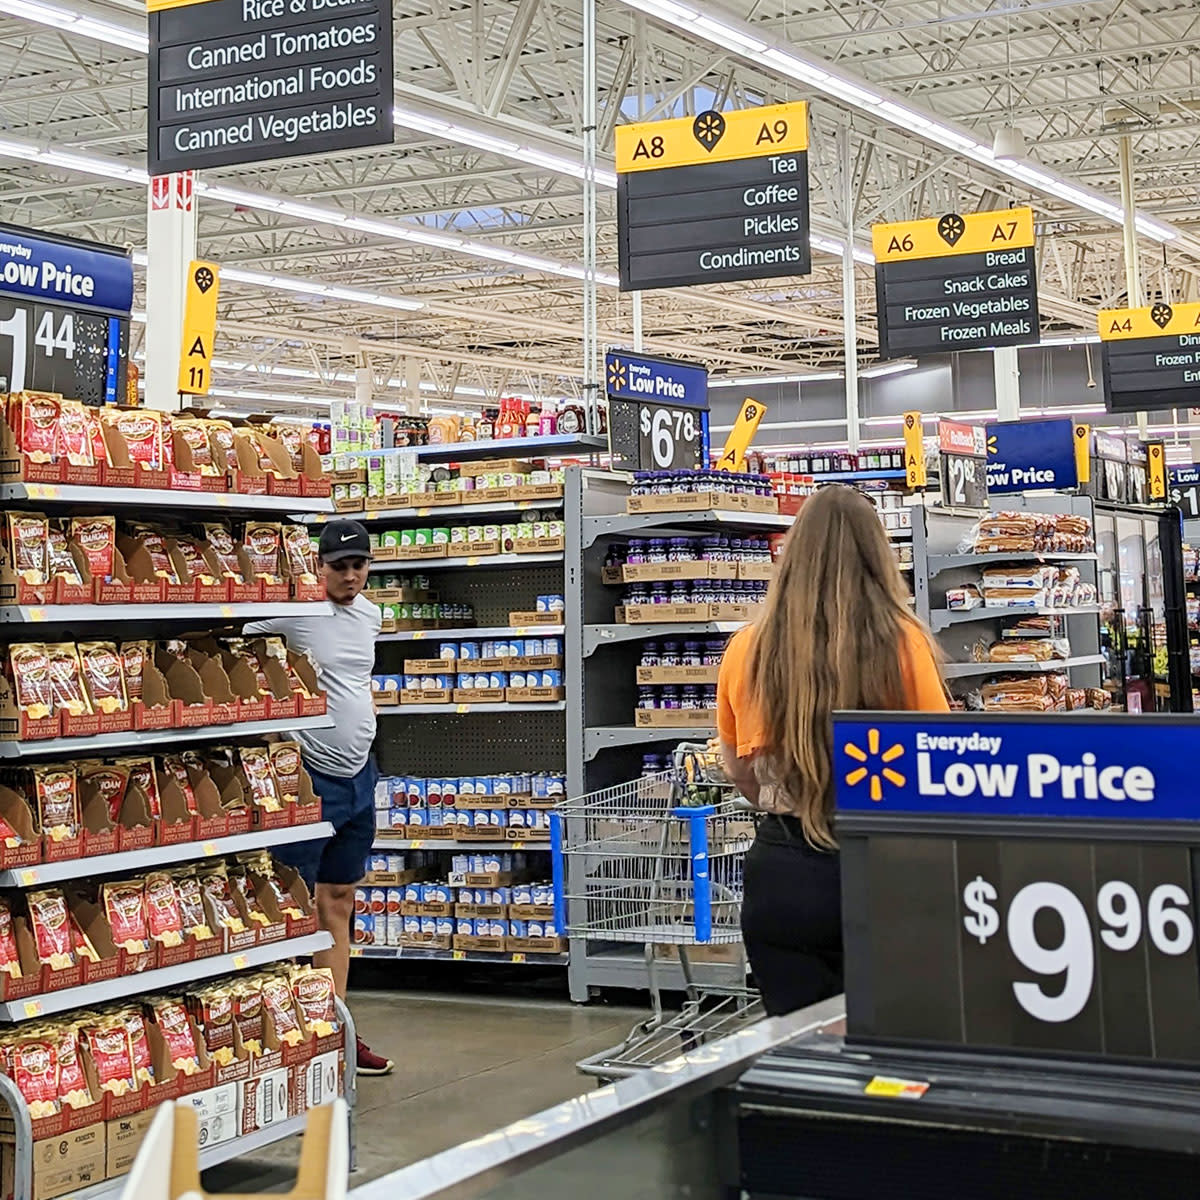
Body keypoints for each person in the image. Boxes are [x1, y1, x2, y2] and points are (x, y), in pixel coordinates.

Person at [717, 485, 949, 1017]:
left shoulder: (746, 648)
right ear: (877, 556)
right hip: (882, 867)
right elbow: (937, 758)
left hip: (781, 874)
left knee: (801, 1052)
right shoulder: (904, 642)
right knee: (891, 1043)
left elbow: (741, 773)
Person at [245, 518, 394, 1076]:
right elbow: (233, 633)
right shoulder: (295, 615)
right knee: (293, 907)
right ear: (318, 566)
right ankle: (289, 1032)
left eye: (359, 566)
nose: (350, 576)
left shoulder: (371, 616)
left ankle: (337, 1027)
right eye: (339, 566)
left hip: (360, 775)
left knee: (339, 901)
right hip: (309, 776)